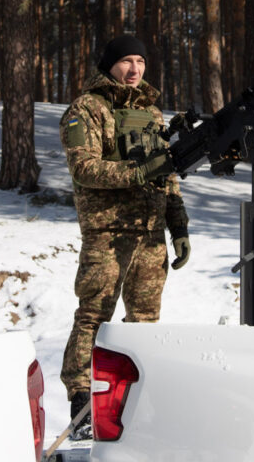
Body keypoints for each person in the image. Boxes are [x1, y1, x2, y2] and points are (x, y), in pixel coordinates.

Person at [59, 35, 190, 439]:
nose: (134, 69)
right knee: (94, 317)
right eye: (126, 61)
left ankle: (138, 402)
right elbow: (84, 168)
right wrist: (137, 173)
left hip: (150, 235)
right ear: (109, 64)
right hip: (107, 234)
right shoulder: (86, 109)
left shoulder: (152, 112)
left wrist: (179, 226)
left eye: (140, 61)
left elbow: (167, 173)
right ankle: (81, 407)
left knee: (145, 322)